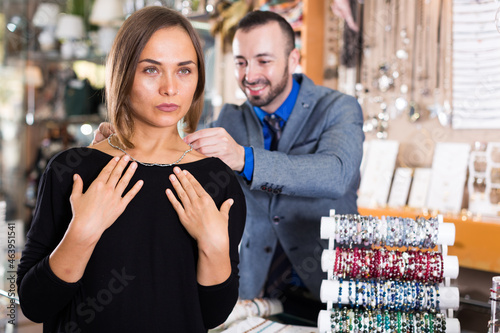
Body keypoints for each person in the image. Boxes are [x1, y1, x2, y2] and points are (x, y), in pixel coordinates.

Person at [94, 9, 364, 315]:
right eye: (240, 62)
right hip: (253, 297)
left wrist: (244, 158)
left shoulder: (338, 108)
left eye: (264, 60)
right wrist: (125, 141)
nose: (250, 75)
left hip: (331, 289)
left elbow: (336, 175)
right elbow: (179, 157)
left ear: (293, 60)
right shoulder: (229, 119)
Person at [17, 6, 246, 333]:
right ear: (122, 74)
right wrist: (82, 233)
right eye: (151, 70)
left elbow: (213, 315)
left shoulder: (217, 181)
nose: (170, 88)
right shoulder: (72, 170)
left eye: (184, 70)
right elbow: (32, 304)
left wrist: (214, 246)